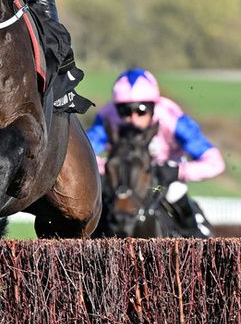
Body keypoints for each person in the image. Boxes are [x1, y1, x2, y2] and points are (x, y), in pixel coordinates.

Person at [87, 69, 225, 237]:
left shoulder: (173, 119)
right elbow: (85, 155)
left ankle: (197, 240)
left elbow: (215, 163)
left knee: (177, 192)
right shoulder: (107, 117)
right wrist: (104, 168)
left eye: (141, 109)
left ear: (153, 107)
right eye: (124, 110)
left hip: (163, 183)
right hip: (122, 182)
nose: (133, 118)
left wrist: (178, 171)